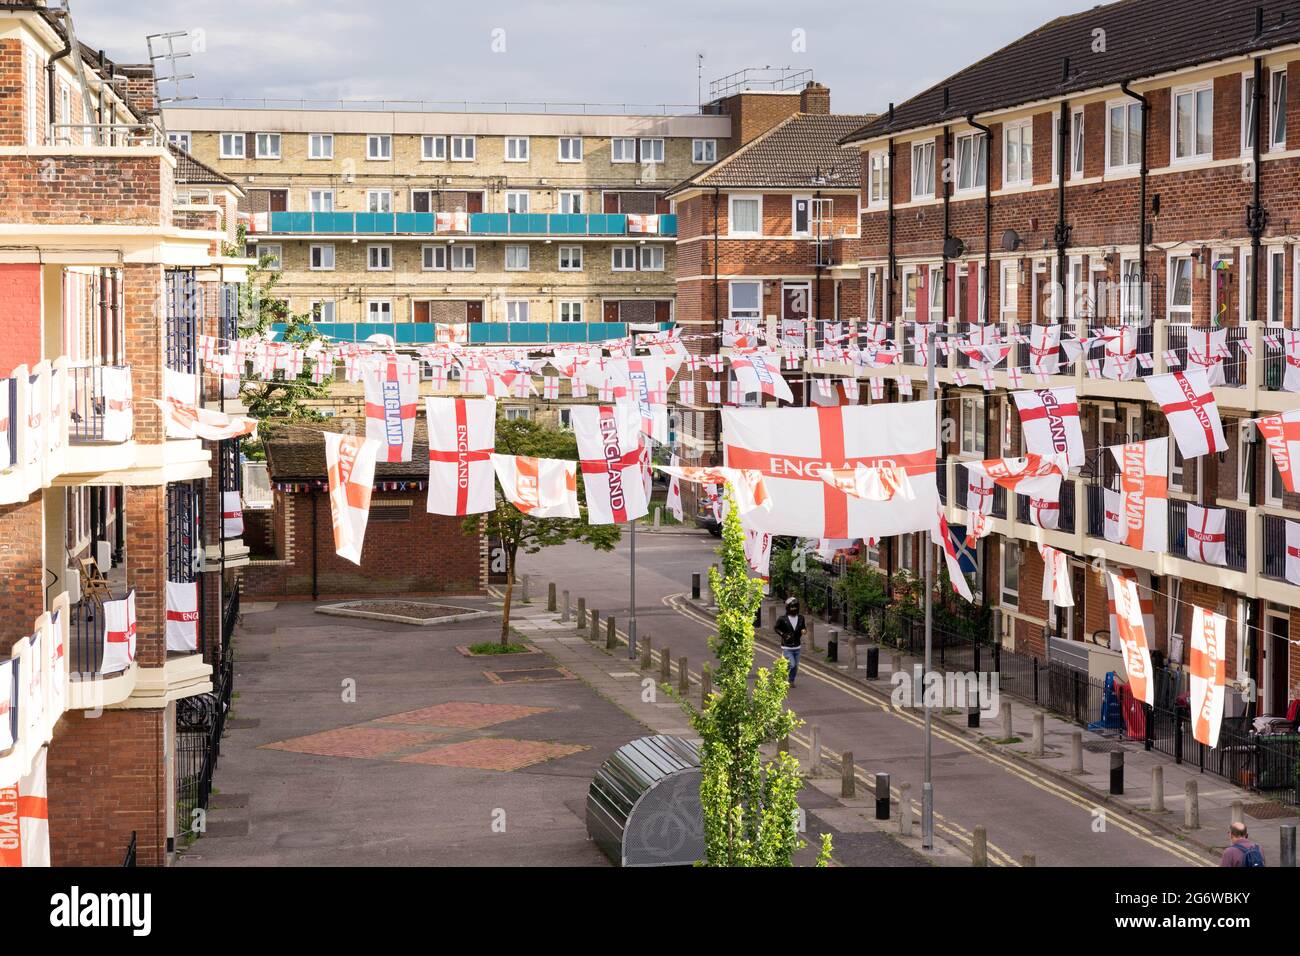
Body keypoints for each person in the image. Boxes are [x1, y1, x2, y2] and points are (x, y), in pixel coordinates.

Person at [774, 596, 806, 688]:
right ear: (788, 608)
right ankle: (780, 672)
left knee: (795, 666)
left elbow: (803, 627)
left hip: (797, 646)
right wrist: (783, 634)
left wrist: (804, 630)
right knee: (791, 664)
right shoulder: (782, 619)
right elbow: (776, 628)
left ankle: (791, 681)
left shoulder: (801, 618)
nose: (793, 609)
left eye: (795, 607)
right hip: (787, 647)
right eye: (792, 607)